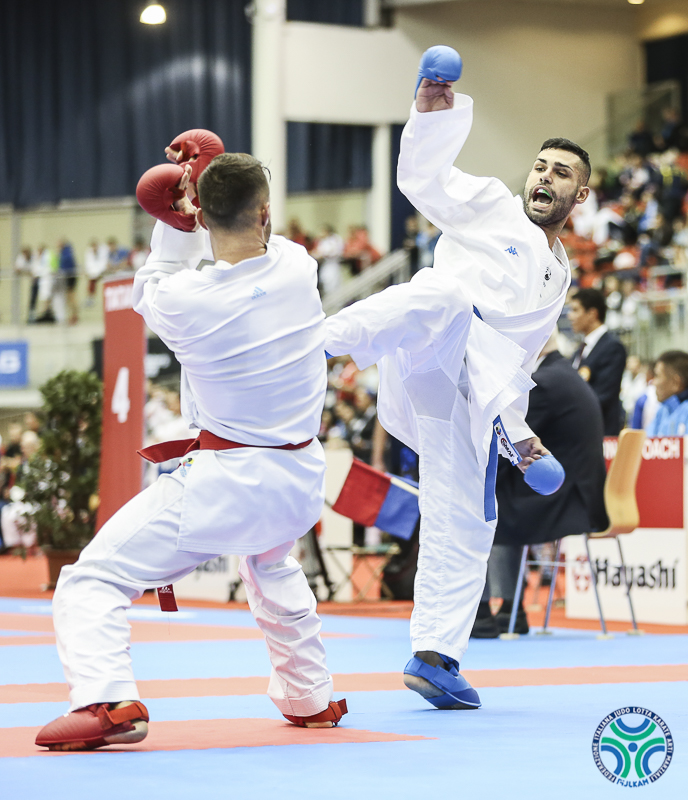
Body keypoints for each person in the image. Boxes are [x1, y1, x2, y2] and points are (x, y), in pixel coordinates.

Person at [36, 150, 346, 752]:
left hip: (229, 479)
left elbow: (162, 271)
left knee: (90, 581)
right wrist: (202, 194)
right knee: (270, 564)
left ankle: (106, 700)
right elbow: (232, 229)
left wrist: (177, 213)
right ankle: (309, 696)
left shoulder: (184, 302)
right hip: (300, 476)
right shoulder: (297, 265)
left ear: (200, 218)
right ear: (265, 213)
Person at [325, 59, 590, 710]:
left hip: (475, 398)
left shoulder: (558, 277)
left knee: (471, 518)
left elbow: (517, 362)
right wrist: (431, 113)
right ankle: (316, 343)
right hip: (431, 346)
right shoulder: (494, 209)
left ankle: (436, 656)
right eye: (540, 166)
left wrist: (510, 420)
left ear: (580, 196)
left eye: (561, 173)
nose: (544, 178)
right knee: (443, 293)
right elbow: (425, 179)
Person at [472, 331, 608, 638]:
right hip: (580, 494)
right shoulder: (564, 375)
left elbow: (513, 442)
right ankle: (510, 610)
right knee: (497, 491)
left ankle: (482, 612)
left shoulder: (544, 382)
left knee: (486, 501)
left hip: (565, 500)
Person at [568, 287, 627, 434]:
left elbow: (604, 395)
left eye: (575, 310)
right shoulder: (579, 350)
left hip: (600, 432)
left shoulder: (612, 347)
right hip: (579, 432)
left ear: (592, 314)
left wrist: (566, 411)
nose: (569, 316)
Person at [646, 350, 688, 436]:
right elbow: (647, 442)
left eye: (657, 376)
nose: (653, 382)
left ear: (675, 382)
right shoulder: (662, 410)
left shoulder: (685, 411)